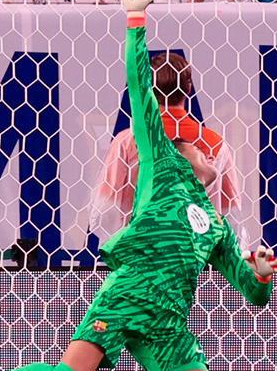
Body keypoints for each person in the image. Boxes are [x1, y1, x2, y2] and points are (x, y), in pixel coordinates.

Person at [0, 0, 277, 371]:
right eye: (191, 143)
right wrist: (135, 19)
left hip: (168, 319)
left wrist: (264, 275)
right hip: (126, 297)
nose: (202, 146)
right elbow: (140, 89)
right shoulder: (162, 169)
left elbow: (252, 295)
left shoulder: (217, 227)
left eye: (202, 145)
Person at [90, 50, 243, 236]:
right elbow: (230, 220)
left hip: (141, 255)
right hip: (196, 257)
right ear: (188, 88)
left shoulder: (127, 141)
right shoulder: (215, 144)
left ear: (149, 88)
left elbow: (104, 216)